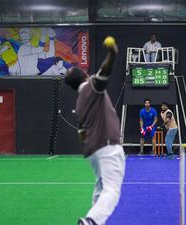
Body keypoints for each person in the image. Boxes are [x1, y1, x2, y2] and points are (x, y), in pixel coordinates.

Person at [64, 38, 125, 225]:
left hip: (93, 151)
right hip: (107, 147)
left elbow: (81, 134)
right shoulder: (92, 86)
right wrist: (112, 53)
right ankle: (91, 221)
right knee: (112, 190)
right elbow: (105, 71)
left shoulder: (79, 102)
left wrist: (91, 147)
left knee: (100, 187)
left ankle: (93, 220)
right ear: (84, 75)